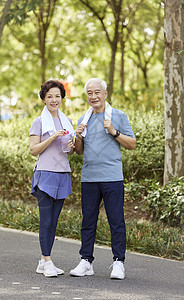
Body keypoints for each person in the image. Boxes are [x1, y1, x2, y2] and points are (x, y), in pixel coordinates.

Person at [70, 78, 136, 279]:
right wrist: (78, 137)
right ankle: (86, 261)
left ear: (105, 94)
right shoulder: (84, 118)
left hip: (112, 177)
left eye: (97, 92)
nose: (93, 96)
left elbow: (132, 144)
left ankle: (118, 262)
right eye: (89, 93)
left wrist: (114, 132)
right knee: (88, 222)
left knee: (116, 221)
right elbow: (79, 152)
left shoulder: (118, 115)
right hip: (89, 178)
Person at [29, 80, 75, 277]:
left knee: (54, 222)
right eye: (50, 96)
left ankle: (43, 261)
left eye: (57, 96)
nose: (54, 100)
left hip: (62, 174)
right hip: (45, 174)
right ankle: (47, 260)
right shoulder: (39, 122)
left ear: (61, 98)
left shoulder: (67, 121)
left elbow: (68, 151)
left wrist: (71, 146)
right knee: (46, 221)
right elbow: (33, 150)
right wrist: (51, 137)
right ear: (44, 99)